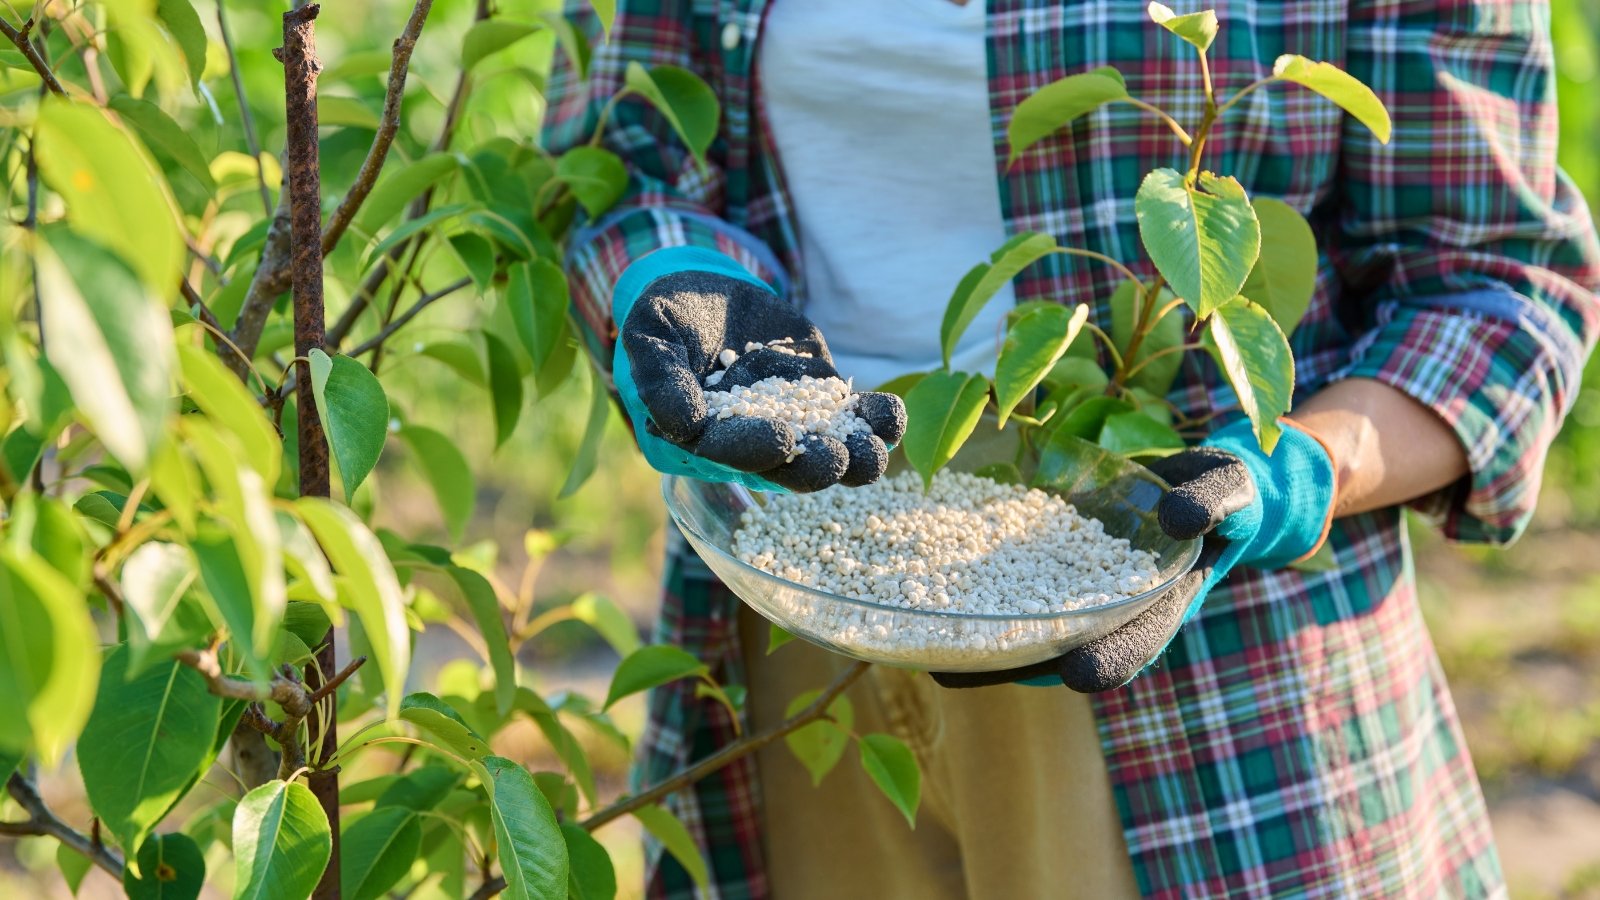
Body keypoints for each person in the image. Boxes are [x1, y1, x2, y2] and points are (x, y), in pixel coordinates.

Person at [544, 0, 1600, 897]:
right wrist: (674, 281)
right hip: (787, 584)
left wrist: (1304, 467)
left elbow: (1494, 287)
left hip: (1194, 641)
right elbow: (624, 161)